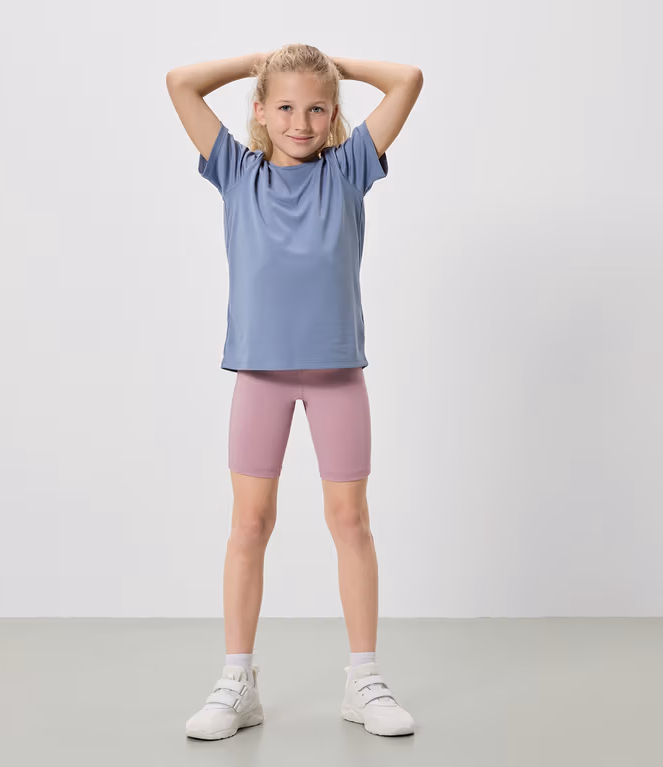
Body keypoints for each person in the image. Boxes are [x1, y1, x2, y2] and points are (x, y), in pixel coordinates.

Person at [165, 44, 423, 740]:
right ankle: (236, 681)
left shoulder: (348, 169)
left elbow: (407, 80)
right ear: (259, 111)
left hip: (337, 375)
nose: (300, 122)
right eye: (284, 106)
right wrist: (259, 61)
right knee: (249, 525)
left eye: (316, 108)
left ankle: (364, 679)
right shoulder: (236, 171)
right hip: (260, 376)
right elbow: (181, 83)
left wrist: (334, 66)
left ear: (334, 115)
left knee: (351, 523)